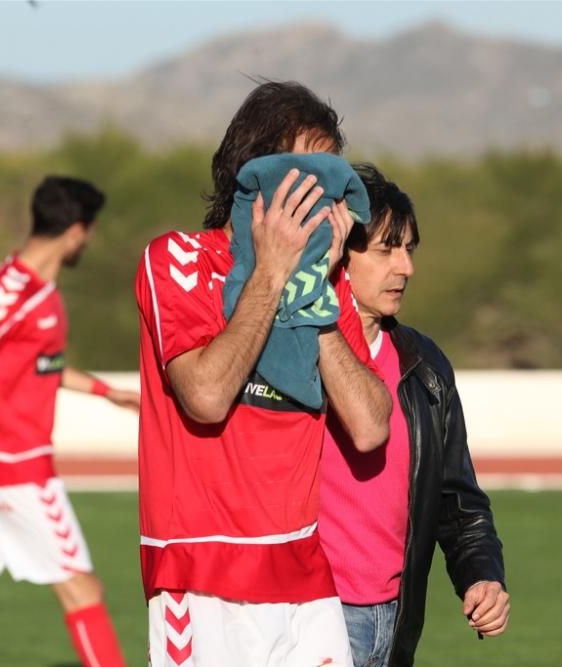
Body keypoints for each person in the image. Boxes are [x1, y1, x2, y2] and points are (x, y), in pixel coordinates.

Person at [135, 80, 392, 667]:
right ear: (257, 171)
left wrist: (312, 292)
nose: (326, 198)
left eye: (331, 181)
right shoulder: (176, 259)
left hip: (302, 571)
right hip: (203, 573)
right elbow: (204, 394)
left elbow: (371, 424)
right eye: (308, 176)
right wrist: (271, 273)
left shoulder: (329, 286)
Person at [0, 176, 139, 667]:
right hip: (19, 470)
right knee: (83, 590)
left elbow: (40, 367)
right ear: (76, 232)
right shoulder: (23, 296)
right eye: (90, 232)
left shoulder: (17, 280)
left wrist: (105, 392)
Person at [319, 163, 509, 667]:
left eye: (408, 250)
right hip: (314, 617)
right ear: (338, 254)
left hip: (397, 622)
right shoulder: (288, 358)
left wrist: (482, 575)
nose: (406, 267)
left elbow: (458, 500)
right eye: (385, 250)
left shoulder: (425, 365)